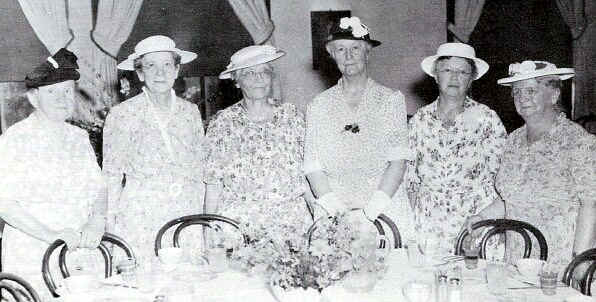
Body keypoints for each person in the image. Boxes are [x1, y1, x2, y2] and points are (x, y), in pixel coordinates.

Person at [465, 60, 596, 275]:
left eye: (531, 90)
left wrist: (579, 262)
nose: (522, 98)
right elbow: (510, 197)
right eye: (516, 92)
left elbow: (590, 204)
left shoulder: (578, 142)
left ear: (554, 95)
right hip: (517, 259)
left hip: (558, 265)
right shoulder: (513, 140)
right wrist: (480, 217)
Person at [0, 48, 106, 298]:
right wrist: (52, 235)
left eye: (67, 91)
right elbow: (4, 203)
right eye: (52, 92)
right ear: (34, 99)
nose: (62, 99)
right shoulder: (15, 140)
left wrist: (97, 219)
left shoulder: (79, 137)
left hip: (78, 253)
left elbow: (99, 187)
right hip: (33, 253)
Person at [103, 35, 205, 266]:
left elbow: (200, 170)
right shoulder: (122, 114)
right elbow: (111, 175)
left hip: (185, 214)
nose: (160, 73)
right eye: (151, 66)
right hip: (141, 215)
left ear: (177, 70)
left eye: (167, 65)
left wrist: (201, 220)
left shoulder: (190, 112)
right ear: (140, 73)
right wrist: (111, 229)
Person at [304, 16, 410, 230]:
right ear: (332, 54)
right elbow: (312, 166)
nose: (349, 56)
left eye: (355, 48)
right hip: (334, 209)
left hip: (383, 209)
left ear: (367, 51)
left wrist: (369, 214)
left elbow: (398, 162)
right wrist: (338, 213)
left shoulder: (391, 99)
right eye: (341, 50)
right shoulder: (318, 104)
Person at [407, 43, 507, 254]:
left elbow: (503, 177)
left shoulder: (487, 119)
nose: (454, 77)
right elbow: (411, 180)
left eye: (462, 72)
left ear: (471, 79)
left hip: (475, 223)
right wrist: (411, 228)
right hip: (429, 224)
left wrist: (486, 218)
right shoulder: (419, 120)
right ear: (435, 75)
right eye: (447, 70)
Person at [204, 45, 312, 236]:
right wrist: (209, 236)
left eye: (264, 72)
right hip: (239, 229)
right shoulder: (222, 123)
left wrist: (319, 221)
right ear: (236, 81)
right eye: (249, 73)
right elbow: (214, 186)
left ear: (271, 77)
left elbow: (307, 175)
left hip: (292, 226)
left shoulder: (292, 116)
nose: (259, 78)